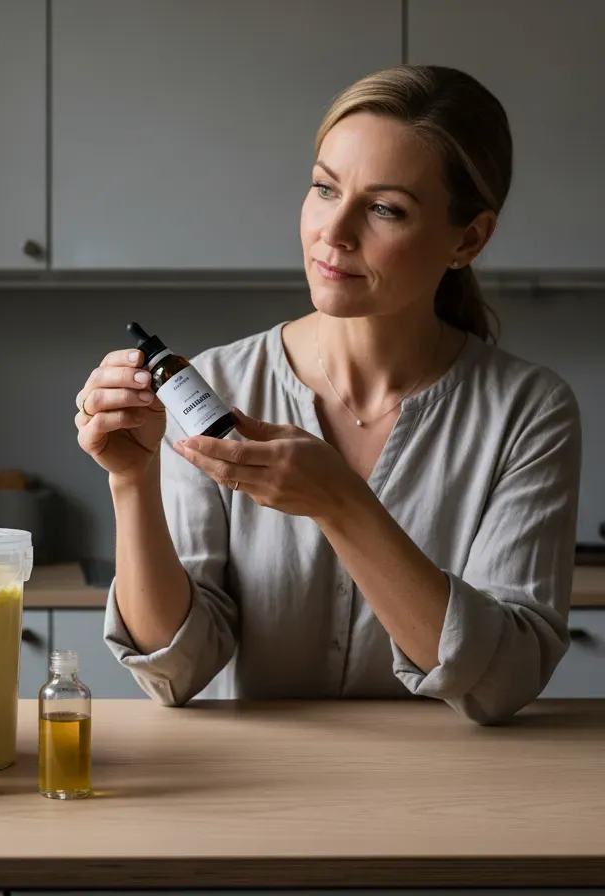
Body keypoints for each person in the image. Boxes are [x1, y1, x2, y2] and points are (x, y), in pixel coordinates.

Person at [74, 65, 582, 725]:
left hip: (449, 807)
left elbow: (502, 680)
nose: (333, 231)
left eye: (384, 208)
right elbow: (176, 670)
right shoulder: (213, 387)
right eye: (323, 188)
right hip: (259, 803)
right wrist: (132, 482)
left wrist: (341, 504)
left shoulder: (530, 413)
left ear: (469, 238)